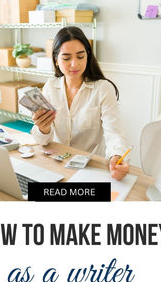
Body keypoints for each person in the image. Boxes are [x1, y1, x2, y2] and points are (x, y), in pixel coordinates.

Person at [31, 26, 129, 181]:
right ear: (56, 60)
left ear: (88, 56)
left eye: (80, 56)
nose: (74, 64)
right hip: (56, 165)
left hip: (89, 169)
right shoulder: (50, 86)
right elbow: (42, 141)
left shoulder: (103, 89)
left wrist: (116, 156)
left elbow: (114, 134)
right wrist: (43, 129)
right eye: (66, 58)